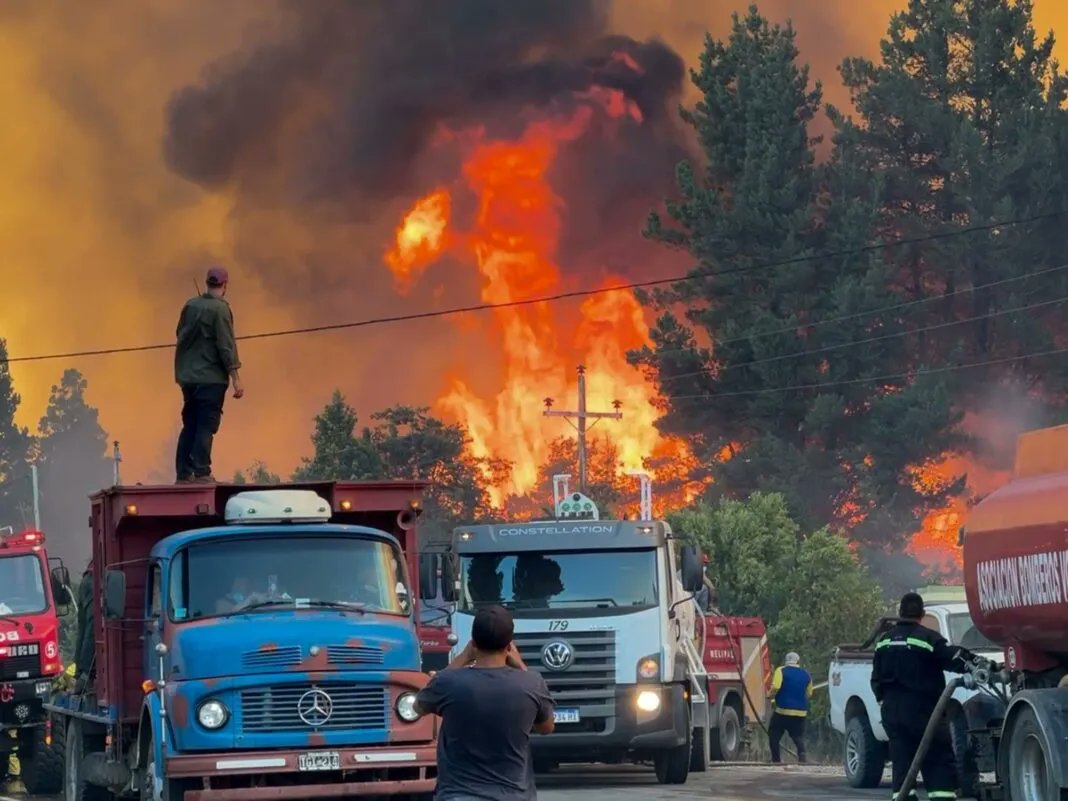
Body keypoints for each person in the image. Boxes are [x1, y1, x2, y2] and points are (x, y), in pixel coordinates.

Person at [414, 605, 555, 800]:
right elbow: (547, 727)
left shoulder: (448, 682)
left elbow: (417, 707)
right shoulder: (531, 683)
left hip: (458, 795)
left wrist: (463, 658)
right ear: (509, 645)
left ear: (473, 643)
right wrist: (521, 664)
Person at [872, 592, 977, 801]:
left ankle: (903, 797)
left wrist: (885, 701)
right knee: (937, 760)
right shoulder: (928, 638)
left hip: (892, 713)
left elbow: (876, 678)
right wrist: (975, 662)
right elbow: (952, 658)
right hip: (924, 713)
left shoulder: (884, 641)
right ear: (922, 614)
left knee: (901, 765)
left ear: (900, 612)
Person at [174, 266, 243, 484]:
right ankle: (202, 472)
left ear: (207, 283)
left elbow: (179, 333)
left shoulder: (190, 305)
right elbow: (226, 345)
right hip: (211, 378)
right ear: (225, 285)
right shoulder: (221, 310)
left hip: (187, 378)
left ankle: (184, 474)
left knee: (190, 424)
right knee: (206, 424)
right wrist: (236, 378)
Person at [767, 651, 812, 764]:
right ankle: (802, 758)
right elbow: (809, 693)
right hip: (800, 713)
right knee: (798, 737)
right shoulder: (806, 674)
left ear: (786, 661)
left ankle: (776, 760)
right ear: (798, 662)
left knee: (774, 734)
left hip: (782, 711)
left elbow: (776, 686)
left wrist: (769, 695)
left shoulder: (781, 670)